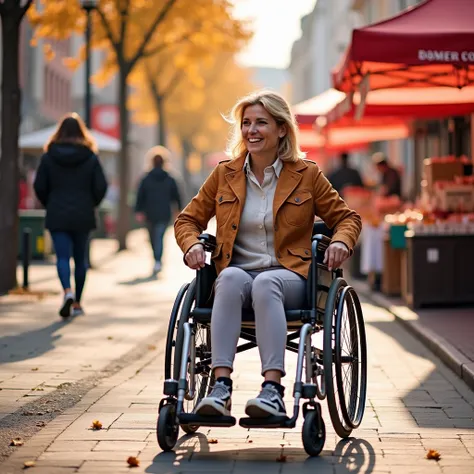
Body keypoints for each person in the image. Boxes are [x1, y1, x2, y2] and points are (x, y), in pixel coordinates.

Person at [174, 90, 362, 419]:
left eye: (261, 122)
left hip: (290, 276)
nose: (252, 130)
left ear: (281, 129)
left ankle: (272, 390)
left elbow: (347, 218)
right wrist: (191, 244)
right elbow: (188, 219)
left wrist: (341, 242)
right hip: (238, 275)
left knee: (267, 284)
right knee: (229, 277)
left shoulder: (307, 175)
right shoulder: (224, 174)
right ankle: (221, 388)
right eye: (246, 123)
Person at [34, 113, 108, 318]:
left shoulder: (49, 156)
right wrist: (91, 203)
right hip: (83, 213)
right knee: (80, 259)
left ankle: (67, 291)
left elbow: (39, 186)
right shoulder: (90, 156)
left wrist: (50, 202)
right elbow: (101, 186)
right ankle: (77, 303)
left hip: (57, 212)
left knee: (62, 257)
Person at [135, 146, 182, 274]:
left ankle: (156, 259)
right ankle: (158, 260)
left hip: (149, 213)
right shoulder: (170, 178)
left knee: (152, 237)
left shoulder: (145, 178)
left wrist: (139, 210)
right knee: (159, 237)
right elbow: (177, 196)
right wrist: (178, 210)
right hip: (164, 213)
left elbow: (140, 196)